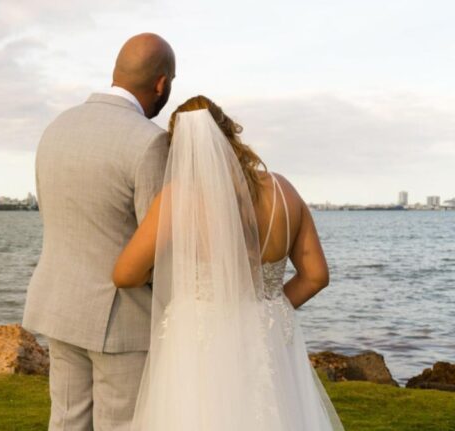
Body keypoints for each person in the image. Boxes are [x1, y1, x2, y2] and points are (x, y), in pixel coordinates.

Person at [113, 96, 344, 430]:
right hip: (270, 335)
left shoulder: (180, 198)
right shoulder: (282, 189)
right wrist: (268, 307)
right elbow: (316, 276)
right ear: (229, 133)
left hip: (202, 337)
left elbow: (125, 274)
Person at [22, 33, 175, 431]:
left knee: (66, 422)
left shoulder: (57, 127)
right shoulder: (150, 143)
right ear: (161, 83)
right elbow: (158, 246)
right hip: (123, 318)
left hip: (60, 305)